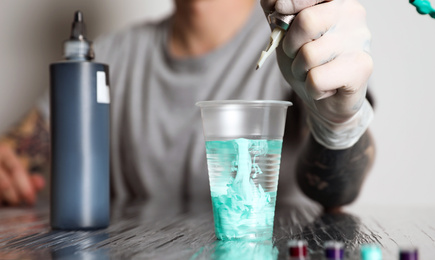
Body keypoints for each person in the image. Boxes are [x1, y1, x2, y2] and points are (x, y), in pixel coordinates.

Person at [0, 0, 375, 211]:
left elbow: (338, 191)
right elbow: (18, 153)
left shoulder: (302, 47)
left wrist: (340, 125)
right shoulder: (113, 54)